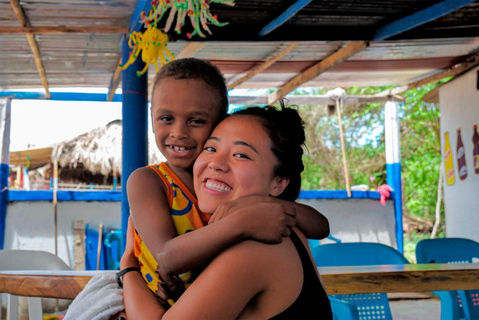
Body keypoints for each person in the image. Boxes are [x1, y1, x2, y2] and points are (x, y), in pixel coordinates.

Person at [121, 58, 330, 318]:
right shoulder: (151, 181)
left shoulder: (262, 236)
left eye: (241, 155)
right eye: (212, 148)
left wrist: (128, 269)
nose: (178, 132)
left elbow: (322, 226)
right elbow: (168, 258)